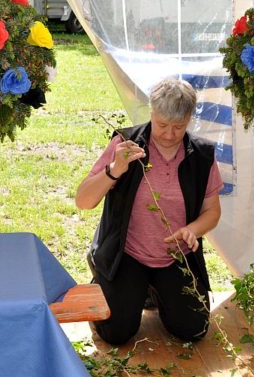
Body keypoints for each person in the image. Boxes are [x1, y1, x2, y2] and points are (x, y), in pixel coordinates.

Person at [75, 78, 223, 345]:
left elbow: (212, 211)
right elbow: (83, 201)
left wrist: (192, 230)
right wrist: (114, 170)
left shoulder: (201, 156)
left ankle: (153, 292)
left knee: (192, 330)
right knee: (115, 333)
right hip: (127, 254)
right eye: (162, 125)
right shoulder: (126, 144)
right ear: (151, 113)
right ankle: (108, 281)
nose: (168, 135)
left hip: (174, 257)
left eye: (178, 127)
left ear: (190, 119)